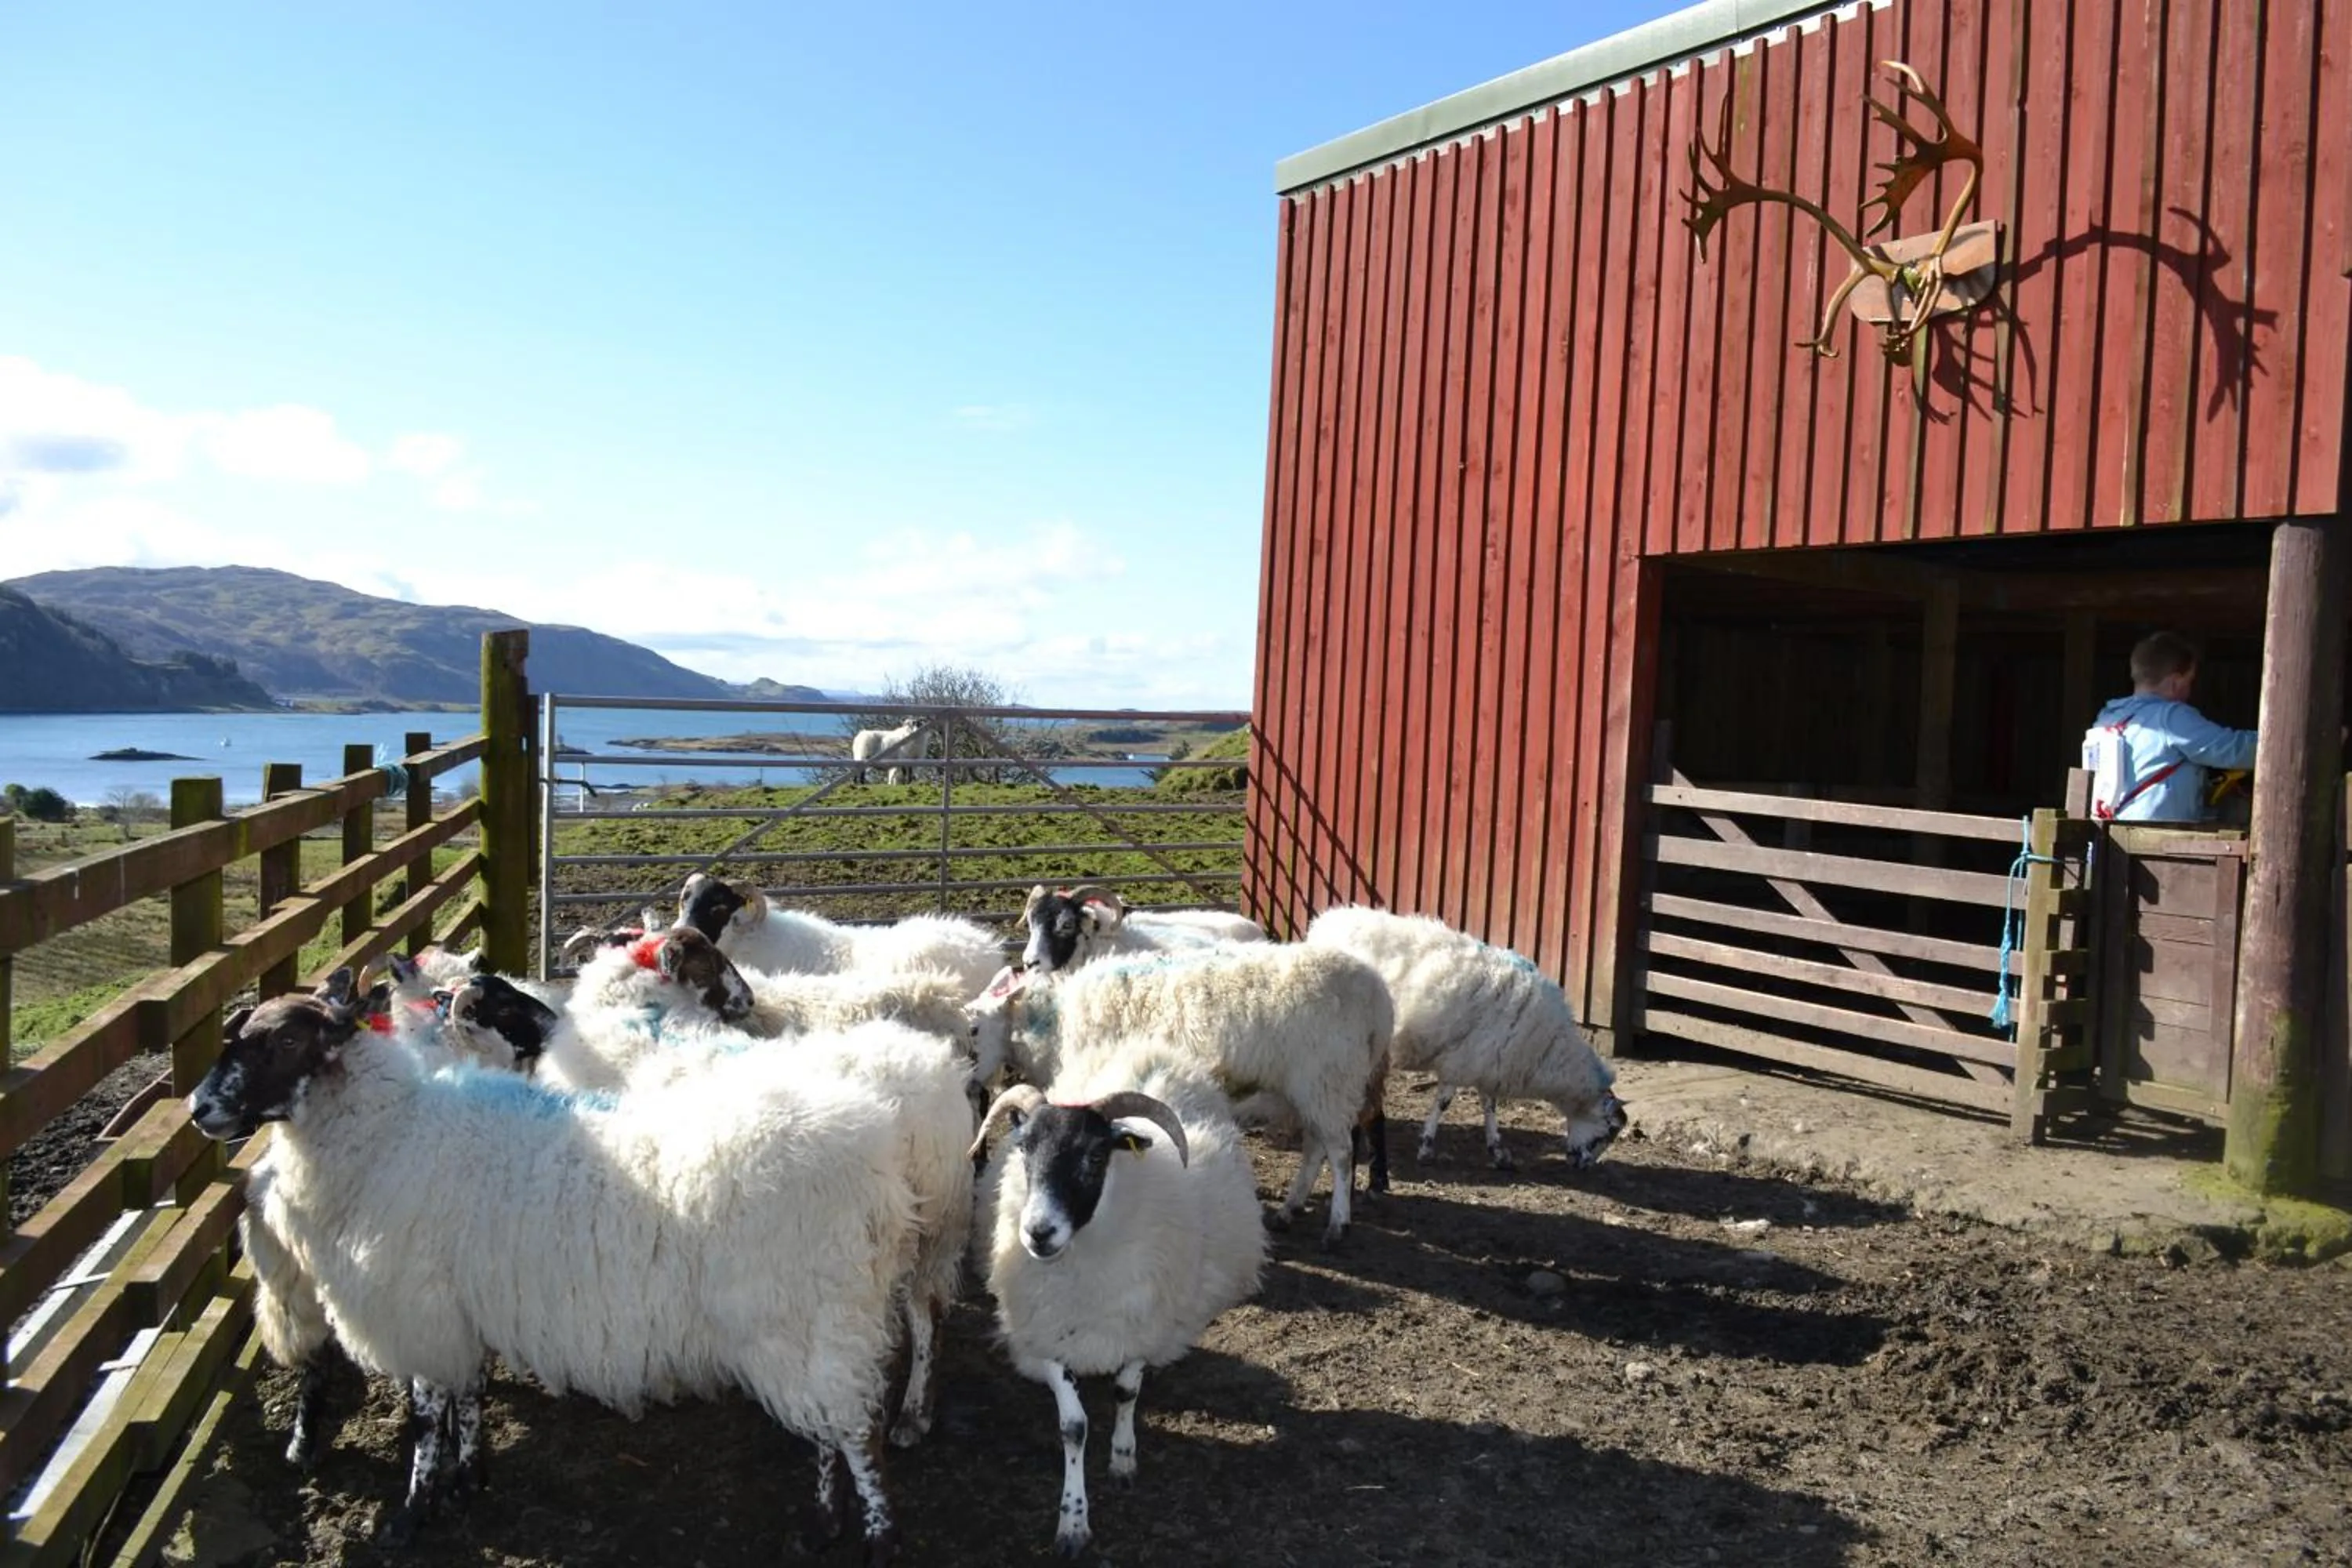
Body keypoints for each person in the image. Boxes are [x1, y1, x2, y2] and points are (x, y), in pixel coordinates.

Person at [2081, 631, 2258, 823]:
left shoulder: (2109, 715)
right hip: (2156, 843)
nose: (2190, 690)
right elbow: (2233, 749)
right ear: (2175, 681)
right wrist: (2283, 742)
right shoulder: (2170, 718)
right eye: (2190, 681)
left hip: (2112, 836)